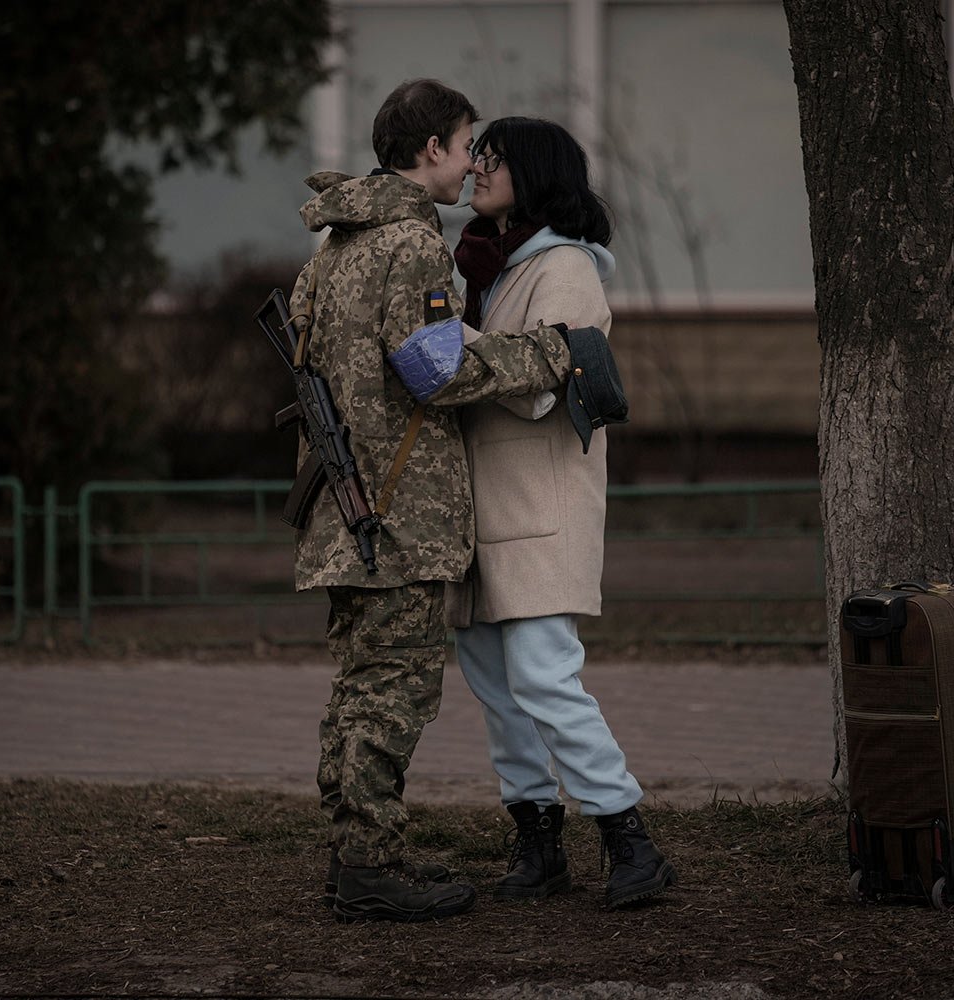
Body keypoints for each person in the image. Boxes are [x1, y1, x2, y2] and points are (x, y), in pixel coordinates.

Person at [290, 81, 572, 924]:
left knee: (357, 692)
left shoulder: (334, 247)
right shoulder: (412, 245)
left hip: (343, 513)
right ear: (430, 151)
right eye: (464, 144)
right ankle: (372, 868)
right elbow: (435, 369)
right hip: (398, 517)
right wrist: (545, 358)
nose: (471, 161)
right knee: (393, 696)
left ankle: (356, 856)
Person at [450, 117, 677, 909]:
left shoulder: (565, 268)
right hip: (482, 513)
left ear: (536, 173)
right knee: (497, 688)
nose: (475, 167)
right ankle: (538, 842)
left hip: (539, 510)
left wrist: (450, 345)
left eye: (493, 157)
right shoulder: (488, 266)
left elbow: (546, 382)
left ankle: (629, 840)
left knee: (546, 679)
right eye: (474, 153)